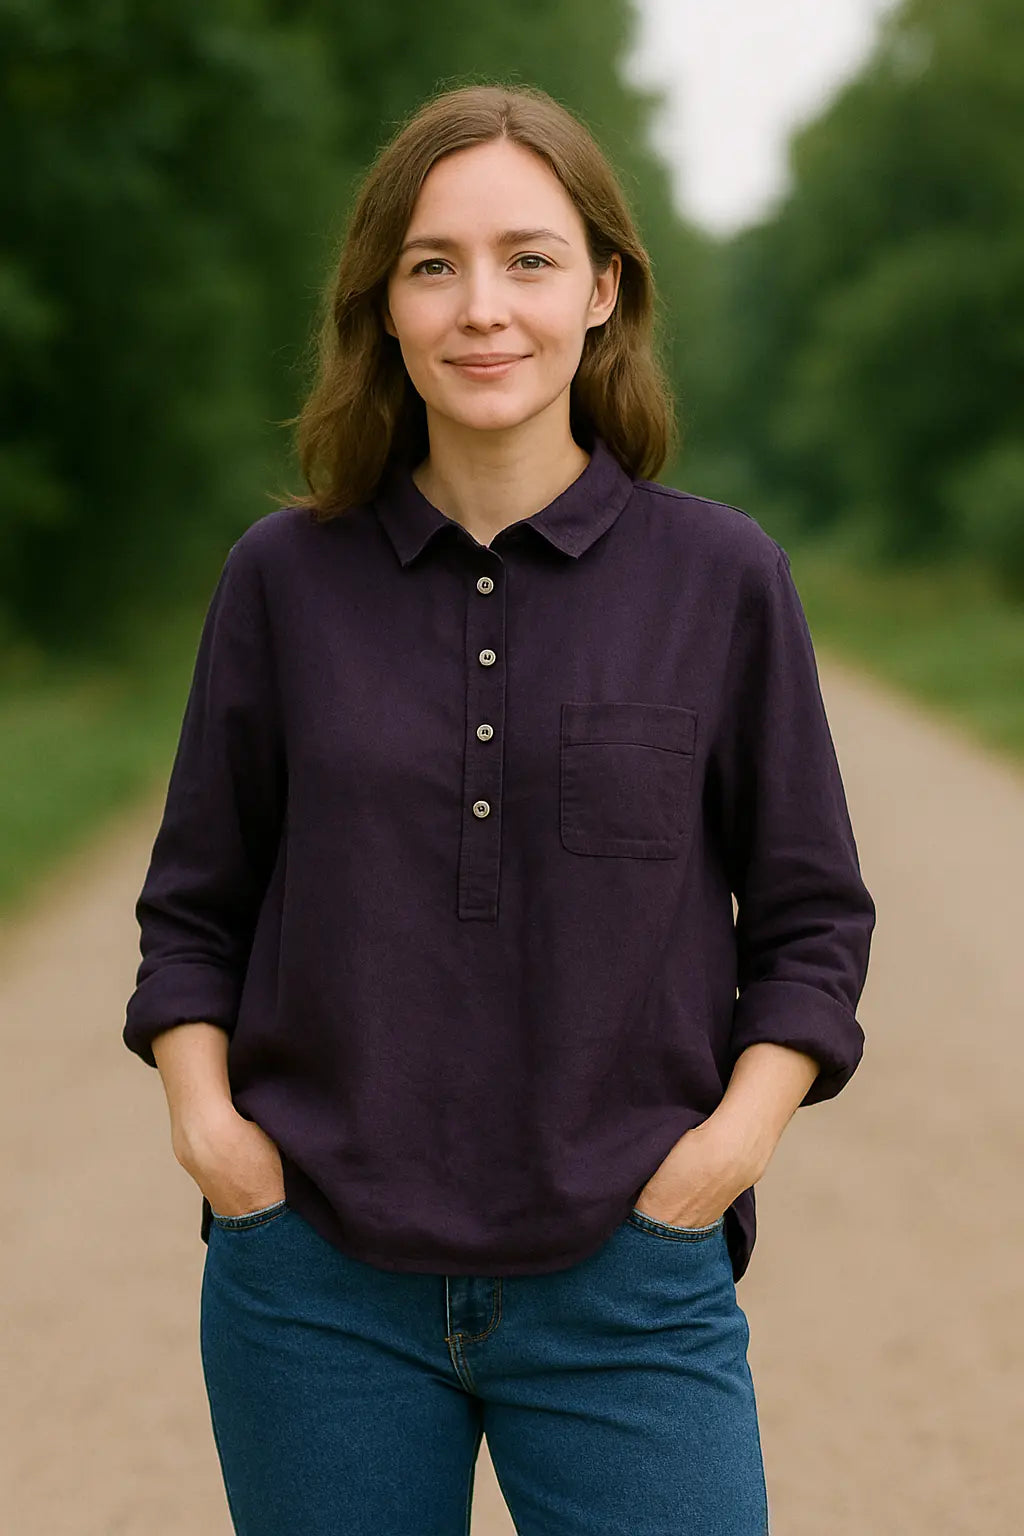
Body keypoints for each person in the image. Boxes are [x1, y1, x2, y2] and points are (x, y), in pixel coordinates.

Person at [123, 81, 875, 1536]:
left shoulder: (720, 580)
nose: (484, 308)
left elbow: (811, 923)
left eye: (529, 259)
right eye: (434, 264)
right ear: (384, 306)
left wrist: (719, 1157)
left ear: (603, 289)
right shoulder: (281, 581)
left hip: (627, 1282)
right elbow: (195, 907)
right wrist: (214, 1134)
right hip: (315, 1291)